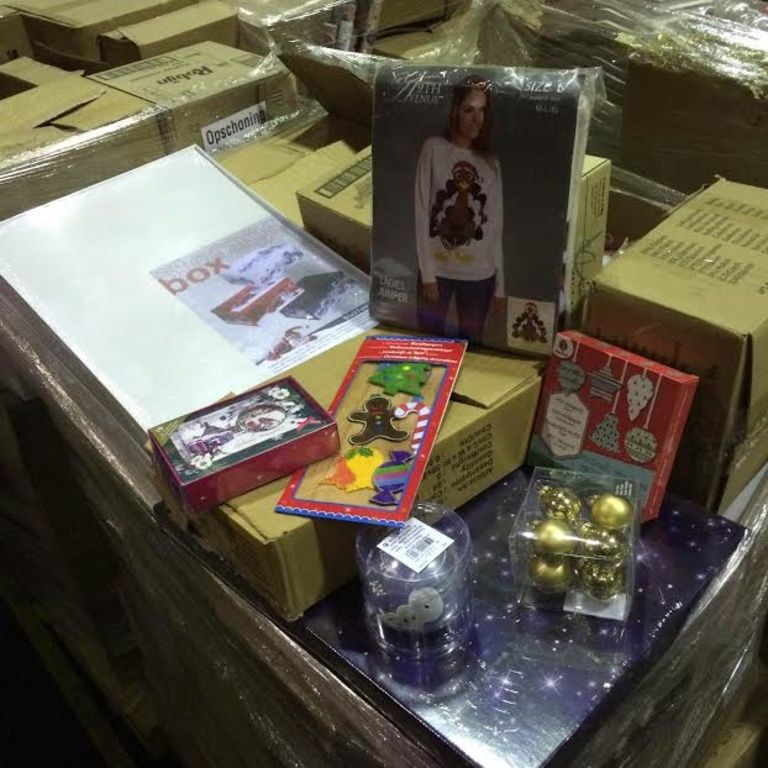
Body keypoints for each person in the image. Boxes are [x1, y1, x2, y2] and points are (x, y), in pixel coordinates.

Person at [414, 75, 505, 342]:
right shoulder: (433, 148)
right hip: (438, 272)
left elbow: (495, 227)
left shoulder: (491, 163)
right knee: (428, 343)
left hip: (480, 276)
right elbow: (421, 211)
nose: (477, 119)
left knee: (472, 348)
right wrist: (427, 274)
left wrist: (500, 286)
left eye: (482, 111)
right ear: (455, 111)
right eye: (469, 110)